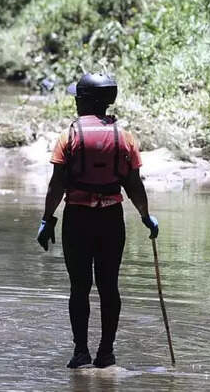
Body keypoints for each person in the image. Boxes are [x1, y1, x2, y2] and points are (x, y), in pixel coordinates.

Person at [36, 73, 159, 369]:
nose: (76, 102)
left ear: (85, 102)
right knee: (109, 286)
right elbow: (134, 184)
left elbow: (57, 185)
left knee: (79, 287)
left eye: (78, 98)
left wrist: (47, 219)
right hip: (111, 221)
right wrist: (145, 216)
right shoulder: (125, 137)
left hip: (77, 220)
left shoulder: (69, 136)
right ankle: (106, 353)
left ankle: (81, 352)